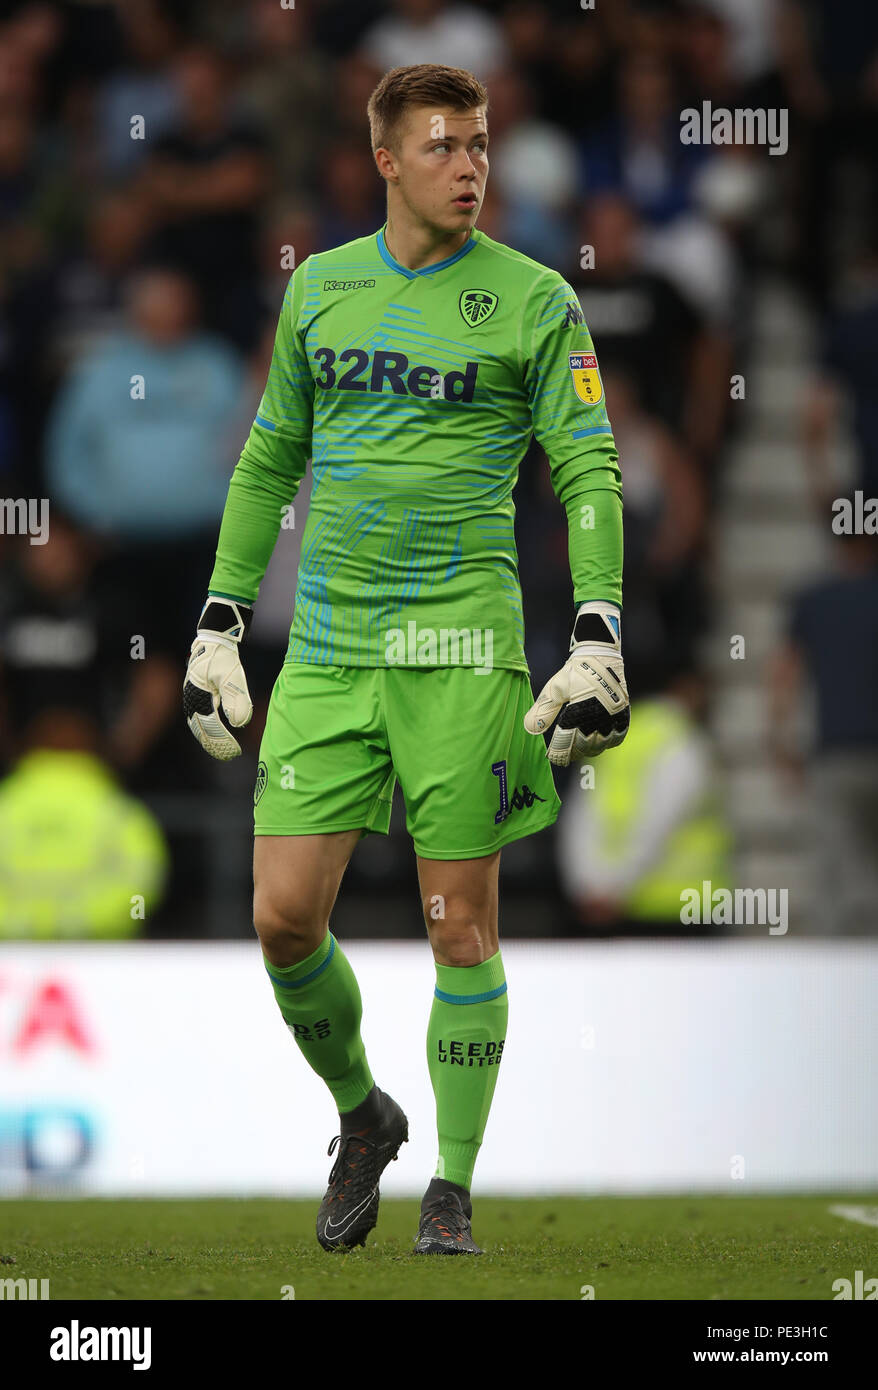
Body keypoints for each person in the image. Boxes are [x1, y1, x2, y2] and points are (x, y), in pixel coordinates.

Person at [183, 64, 628, 1255]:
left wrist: (596, 628)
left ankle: (453, 1185)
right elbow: (268, 460)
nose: (470, 166)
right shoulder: (320, 290)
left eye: (479, 144)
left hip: (462, 651)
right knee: (282, 920)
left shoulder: (537, 301)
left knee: (457, 926)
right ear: (385, 160)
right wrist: (221, 618)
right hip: (328, 652)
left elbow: (585, 464)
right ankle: (362, 1114)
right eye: (443, 146)